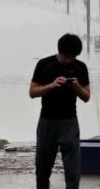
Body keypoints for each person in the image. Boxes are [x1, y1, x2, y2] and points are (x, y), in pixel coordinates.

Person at [30, 33, 91, 189]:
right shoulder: (44, 64)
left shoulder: (80, 67)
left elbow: (86, 96)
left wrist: (76, 86)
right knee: (42, 169)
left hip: (69, 122)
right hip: (47, 122)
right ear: (60, 52)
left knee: (73, 170)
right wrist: (51, 85)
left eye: (73, 57)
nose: (70, 61)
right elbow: (32, 92)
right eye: (67, 57)